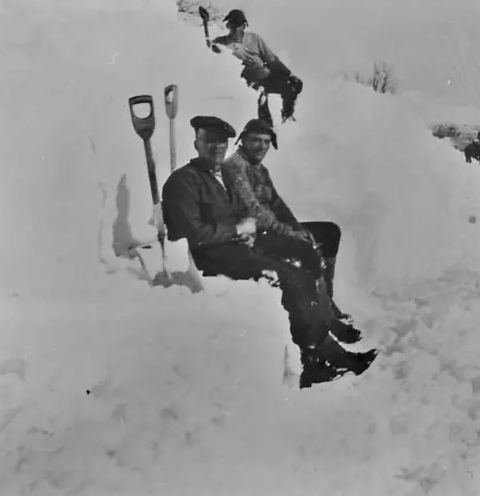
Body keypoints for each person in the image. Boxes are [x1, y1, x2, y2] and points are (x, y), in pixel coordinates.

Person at [160, 115, 376, 387]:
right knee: (293, 279)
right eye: (210, 141)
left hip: (236, 248)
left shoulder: (216, 177)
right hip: (212, 258)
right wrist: (238, 231)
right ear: (196, 143)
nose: (217, 147)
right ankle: (326, 355)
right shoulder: (183, 181)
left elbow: (246, 213)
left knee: (302, 272)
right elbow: (193, 234)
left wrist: (248, 232)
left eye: (221, 142)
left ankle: (316, 358)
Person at [222, 119, 353, 324]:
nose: (262, 147)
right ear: (243, 140)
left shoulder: (260, 170)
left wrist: (299, 229)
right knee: (304, 246)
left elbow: (278, 206)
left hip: (271, 230)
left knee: (329, 232)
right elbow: (254, 211)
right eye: (256, 140)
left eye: (266, 142)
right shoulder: (234, 167)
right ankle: (321, 310)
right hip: (251, 235)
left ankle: (327, 299)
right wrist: (291, 233)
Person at [209, 9, 303, 124]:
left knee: (294, 84)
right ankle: (264, 125)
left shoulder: (254, 39)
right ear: (228, 26)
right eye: (232, 25)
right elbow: (212, 56)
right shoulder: (221, 43)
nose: (235, 30)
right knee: (261, 100)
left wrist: (289, 74)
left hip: (266, 76)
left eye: (239, 26)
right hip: (246, 81)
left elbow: (271, 58)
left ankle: (287, 116)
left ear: (244, 26)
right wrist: (212, 47)